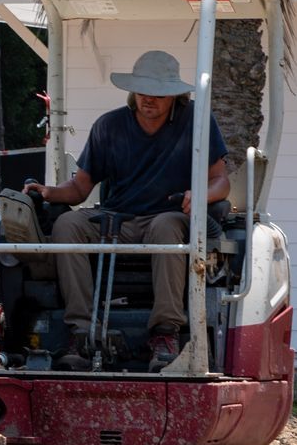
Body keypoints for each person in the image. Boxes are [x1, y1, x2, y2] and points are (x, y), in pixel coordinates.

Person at [25, 49, 229, 370]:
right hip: (114, 221)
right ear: (133, 91)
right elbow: (80, 188)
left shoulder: (198, 123)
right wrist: (49, 191)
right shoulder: (109, 126)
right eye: (143, 90)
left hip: (167, 219)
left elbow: (221, 181)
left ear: (175, 95)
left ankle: (165, 333)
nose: (150, 99)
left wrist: (201, 195)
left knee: (165, 227)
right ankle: (79, 332)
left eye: (159, 93)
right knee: (67, 225)